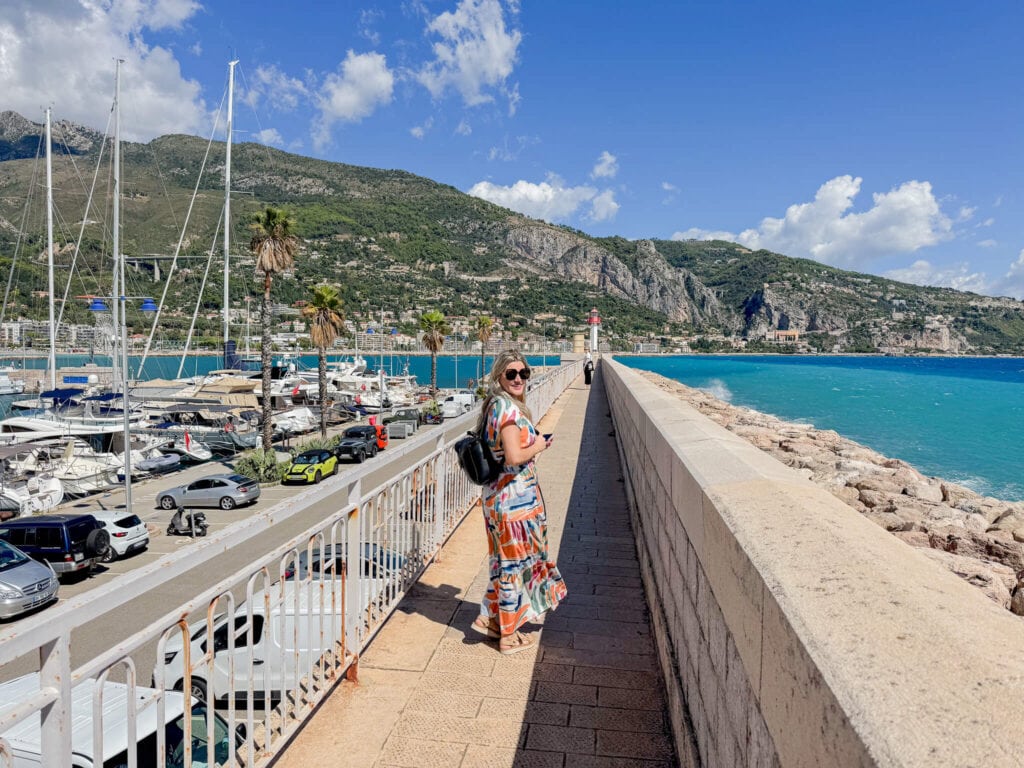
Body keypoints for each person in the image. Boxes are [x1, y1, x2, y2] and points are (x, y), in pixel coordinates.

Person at [471, 349, 567, 654]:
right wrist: (538, 445)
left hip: (499, 499)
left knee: (502, 563)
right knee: (514, 566)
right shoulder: (509, 411)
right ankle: (509, 636)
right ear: (499, 376)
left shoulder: (493, 406)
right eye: (511, 374)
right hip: (514, 504)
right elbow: (513, 457)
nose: (518, 379)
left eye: (523, 373)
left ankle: (493, 621)